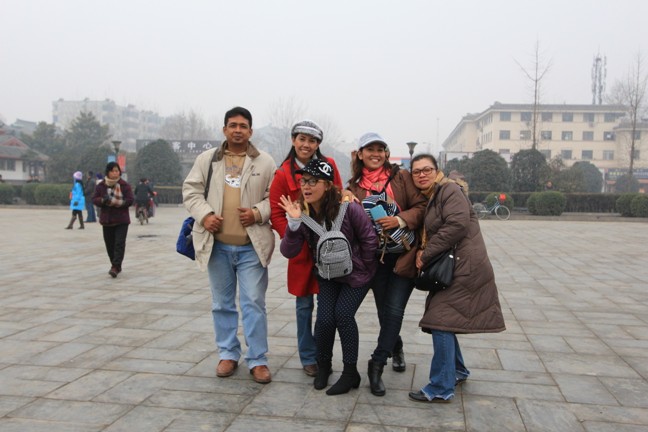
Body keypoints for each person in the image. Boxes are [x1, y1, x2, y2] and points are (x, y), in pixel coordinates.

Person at [183, 106, 276, 384]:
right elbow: (191, 191)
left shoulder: (265, 162)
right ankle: (227, 353)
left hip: (251, 247)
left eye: (243, 126)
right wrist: (205, 215)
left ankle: (257, 359)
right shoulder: (207, 159)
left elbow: (275, 197)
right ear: (224, 129)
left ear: (250, 131)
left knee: (254, 303)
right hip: (217, 246)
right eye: (232, 125)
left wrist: (257, 213)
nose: (237, 130)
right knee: (222, 304)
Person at [408, 154, 506, 403]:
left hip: (464, 268)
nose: (422, 174)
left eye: (427, 169)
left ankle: (441, 387)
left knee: (440, 320)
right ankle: (458, 371)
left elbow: (457, 225)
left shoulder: (449, 190)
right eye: (416, 171)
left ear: (437, 170)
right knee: (445, 319)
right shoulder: (435, 195)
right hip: (458, 266)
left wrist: (426, 254)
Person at [278, 159, 378, 395]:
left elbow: (369, 240)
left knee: (343, 315)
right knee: (324, 320)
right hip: (327, 275)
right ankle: (324, 367)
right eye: (304, 181)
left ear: (328, 185)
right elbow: (288, 251)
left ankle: (350, 372)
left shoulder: (349, 208)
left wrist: (363, 268)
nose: (306, 186)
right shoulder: (303, 213)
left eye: (313, 181)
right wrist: (293, 224)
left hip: (356, 275)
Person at [347, 132, 427, 397]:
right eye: (370, 149)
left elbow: (421, 206)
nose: (376, 154)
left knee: (394, 310)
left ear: (386, 153)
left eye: (380, 149)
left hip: (403, 255)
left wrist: (399, 220)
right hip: (375, 258)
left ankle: (377, 363)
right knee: (385, 312)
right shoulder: (354, 187)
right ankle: (397, 346)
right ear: (360, 154)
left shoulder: (401, 177)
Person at [269, 120, 344, 377]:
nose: (306, 145)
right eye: (302, 139)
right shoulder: (282, 174)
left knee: (327, 305)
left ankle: (323, 353)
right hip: (301, 250)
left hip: (326, 246)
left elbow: (338, 196)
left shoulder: (329, 164)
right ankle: (308, 356)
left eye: (312, 141)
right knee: (303, 306)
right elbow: (276, 212)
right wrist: (292, 237)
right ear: (293, 140)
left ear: (318, 144)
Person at [93, 162, 134, 278]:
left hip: (121, 220)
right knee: (109, 245)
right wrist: (103, 200)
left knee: (119, 244)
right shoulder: (101, 186)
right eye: (113, 171)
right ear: (108, 172)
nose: (115, 173)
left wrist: (119, 203)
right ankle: (115, 264)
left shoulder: (124, 185)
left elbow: (130, 200)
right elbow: (94, 199)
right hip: (107, 220)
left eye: (117, 171)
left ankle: (115, 266)